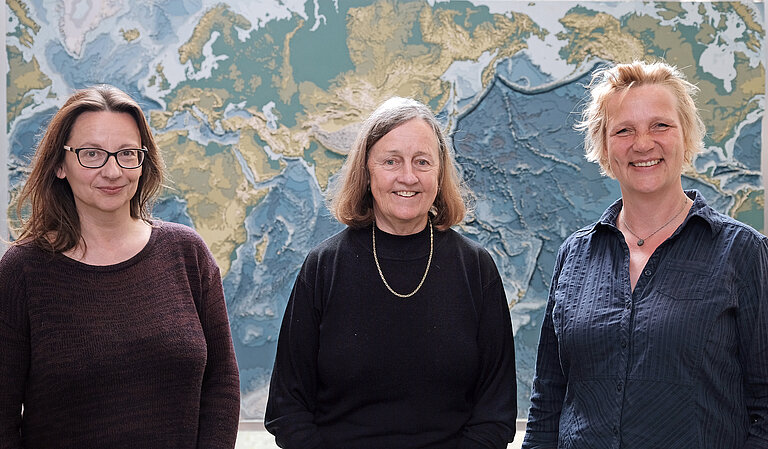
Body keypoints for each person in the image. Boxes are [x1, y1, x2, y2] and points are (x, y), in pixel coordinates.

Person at [523, 60, 768, 448]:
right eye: (624, 130)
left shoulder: (743, 252)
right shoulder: (574, 256)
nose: (642, 144)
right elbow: (548, 400)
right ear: (604, 147)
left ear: (686, 135)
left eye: (660, 125)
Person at [265, 97, 517, 448]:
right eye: (391, 161)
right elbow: (287, 409)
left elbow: (495, 416)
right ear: (366, 172)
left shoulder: (476, 268)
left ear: (440, 173)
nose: (408, 176)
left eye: (422, 162)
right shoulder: (323, 267)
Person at [0, 85, 241, 448]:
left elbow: (221, 385)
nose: (113, 171)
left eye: (127, 153)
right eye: (91, 154)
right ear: (60, 165)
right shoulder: (23, 271)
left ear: (144, 162)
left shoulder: (186, 253)